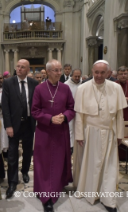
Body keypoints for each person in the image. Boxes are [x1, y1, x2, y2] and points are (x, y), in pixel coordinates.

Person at [73, 60, 127, 212]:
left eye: (102, 72)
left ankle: (108, 198)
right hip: (89, 133)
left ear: (108, 73)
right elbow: (79, 115)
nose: (99, 75)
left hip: (109, 132)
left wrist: (120, 134)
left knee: (109, 167)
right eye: (96, 72)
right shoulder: (83, 88)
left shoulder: (115, 88)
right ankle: (91, 193)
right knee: (91, 165)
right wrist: (79, 135)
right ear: (92, 71)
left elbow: (119, 115)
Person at [31, 59, 75, 212]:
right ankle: (46, 196)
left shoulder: (65, 88)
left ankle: (55, 187)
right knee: (43, 163)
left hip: (60, 132)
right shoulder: (39, 89)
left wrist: (64, 116)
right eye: (55, 70)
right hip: (44, 131)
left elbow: (71, 108)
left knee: (58, 161)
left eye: (60, 70)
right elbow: (34, 111)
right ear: (48, 71)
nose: (59, 73)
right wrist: (50, 119)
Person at [1, 59, 39, 198]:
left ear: (28, 69)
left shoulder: (34, 83)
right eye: (18, 66)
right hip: (14, 124)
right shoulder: (8, 83)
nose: (19, 69)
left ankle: (24, 172)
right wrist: (8, 125)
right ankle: (12, 181)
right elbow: (5, 106)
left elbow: (36, 103)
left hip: (29, 123)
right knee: (12, 154)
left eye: (23, 67)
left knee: (28, 151)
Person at [64, 68, 82, 150]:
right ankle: (70, 146)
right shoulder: (66, 85)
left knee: (79, 127)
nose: (77, 78)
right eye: (75, 76)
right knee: (70, 128)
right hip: (70, 109)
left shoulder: (83, 84)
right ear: (72, 75)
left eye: (79, 76)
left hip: (81, 110)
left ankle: (78, 144)